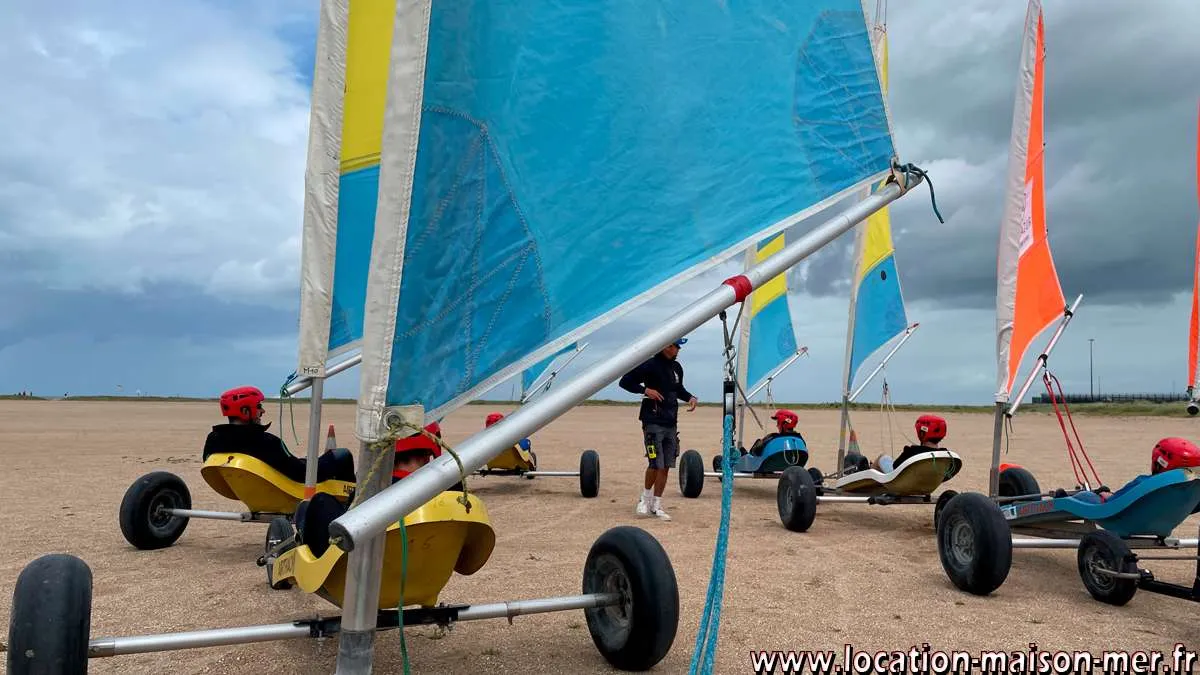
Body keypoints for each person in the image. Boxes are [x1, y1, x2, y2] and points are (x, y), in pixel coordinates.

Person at [202, 385, 355, 484]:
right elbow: (299, 473)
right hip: (296, 485)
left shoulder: (214, 439)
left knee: (309, 459)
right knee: (343, 454)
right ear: (245, 412)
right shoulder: (267, 442)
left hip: (248, 487)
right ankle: (348, 504)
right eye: (258, 407)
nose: (262, 411)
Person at [618, 337, 698, 520]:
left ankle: (657, 504)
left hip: (671, 423)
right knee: (655, 463)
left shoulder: (677, 368)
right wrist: (646, 391)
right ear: (665, 347)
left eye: (678, 346)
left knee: (666, 466)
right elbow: (625, 382)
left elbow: (679, 390)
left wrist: (691, 397)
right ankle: (644, 499)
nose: (678, 350)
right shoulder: (649, 364)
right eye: (675, 346)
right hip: (652, 421)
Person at [869, 414, 948, 474]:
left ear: (922, 433)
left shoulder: (912, 451)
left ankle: (867, 473)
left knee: (883, 457)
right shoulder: (945, 454)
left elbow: (895, 466)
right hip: (926, 484)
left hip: (902, 483)